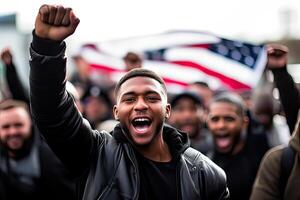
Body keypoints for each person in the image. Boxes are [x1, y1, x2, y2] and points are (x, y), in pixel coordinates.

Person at [29, 4, 229, 200]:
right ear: (116, 112)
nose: (140, 105)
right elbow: (53, 113)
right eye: (130, 99)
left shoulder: (206, 175)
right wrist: (47, 48)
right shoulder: (97, 153)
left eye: (151, 98)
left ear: (167, 110)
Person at [250, 44, 300, 200]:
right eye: (260, 113)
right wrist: (277, 72)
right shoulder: (280, 161)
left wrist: (279, 73)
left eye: (266, 113)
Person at [0, 100, 75, 200]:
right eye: (6, 127)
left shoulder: (50, 158)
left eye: (18, 125)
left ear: (30, 124)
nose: (13, 132)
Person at [206, 92, 269, 200]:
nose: (221, 126)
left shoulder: (262, 159)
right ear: (207, 122)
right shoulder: (203, 161)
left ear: (244, 123)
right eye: (215, 119)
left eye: (229, 119)